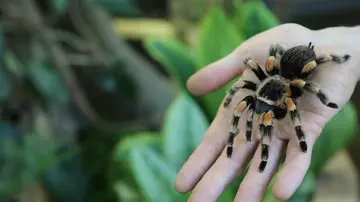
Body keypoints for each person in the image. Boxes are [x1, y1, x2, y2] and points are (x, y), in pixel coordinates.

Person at [173, 23, 360, 202]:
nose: (261, 109)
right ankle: (240, 144)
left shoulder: (290, 91)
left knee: (303, 80)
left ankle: (267, 154)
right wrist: (231, 102)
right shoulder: (258, 86)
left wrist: (302, 134)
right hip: (284, 68)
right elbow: (248, 72)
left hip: (300, 64)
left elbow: (300, 89)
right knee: (241, 108)